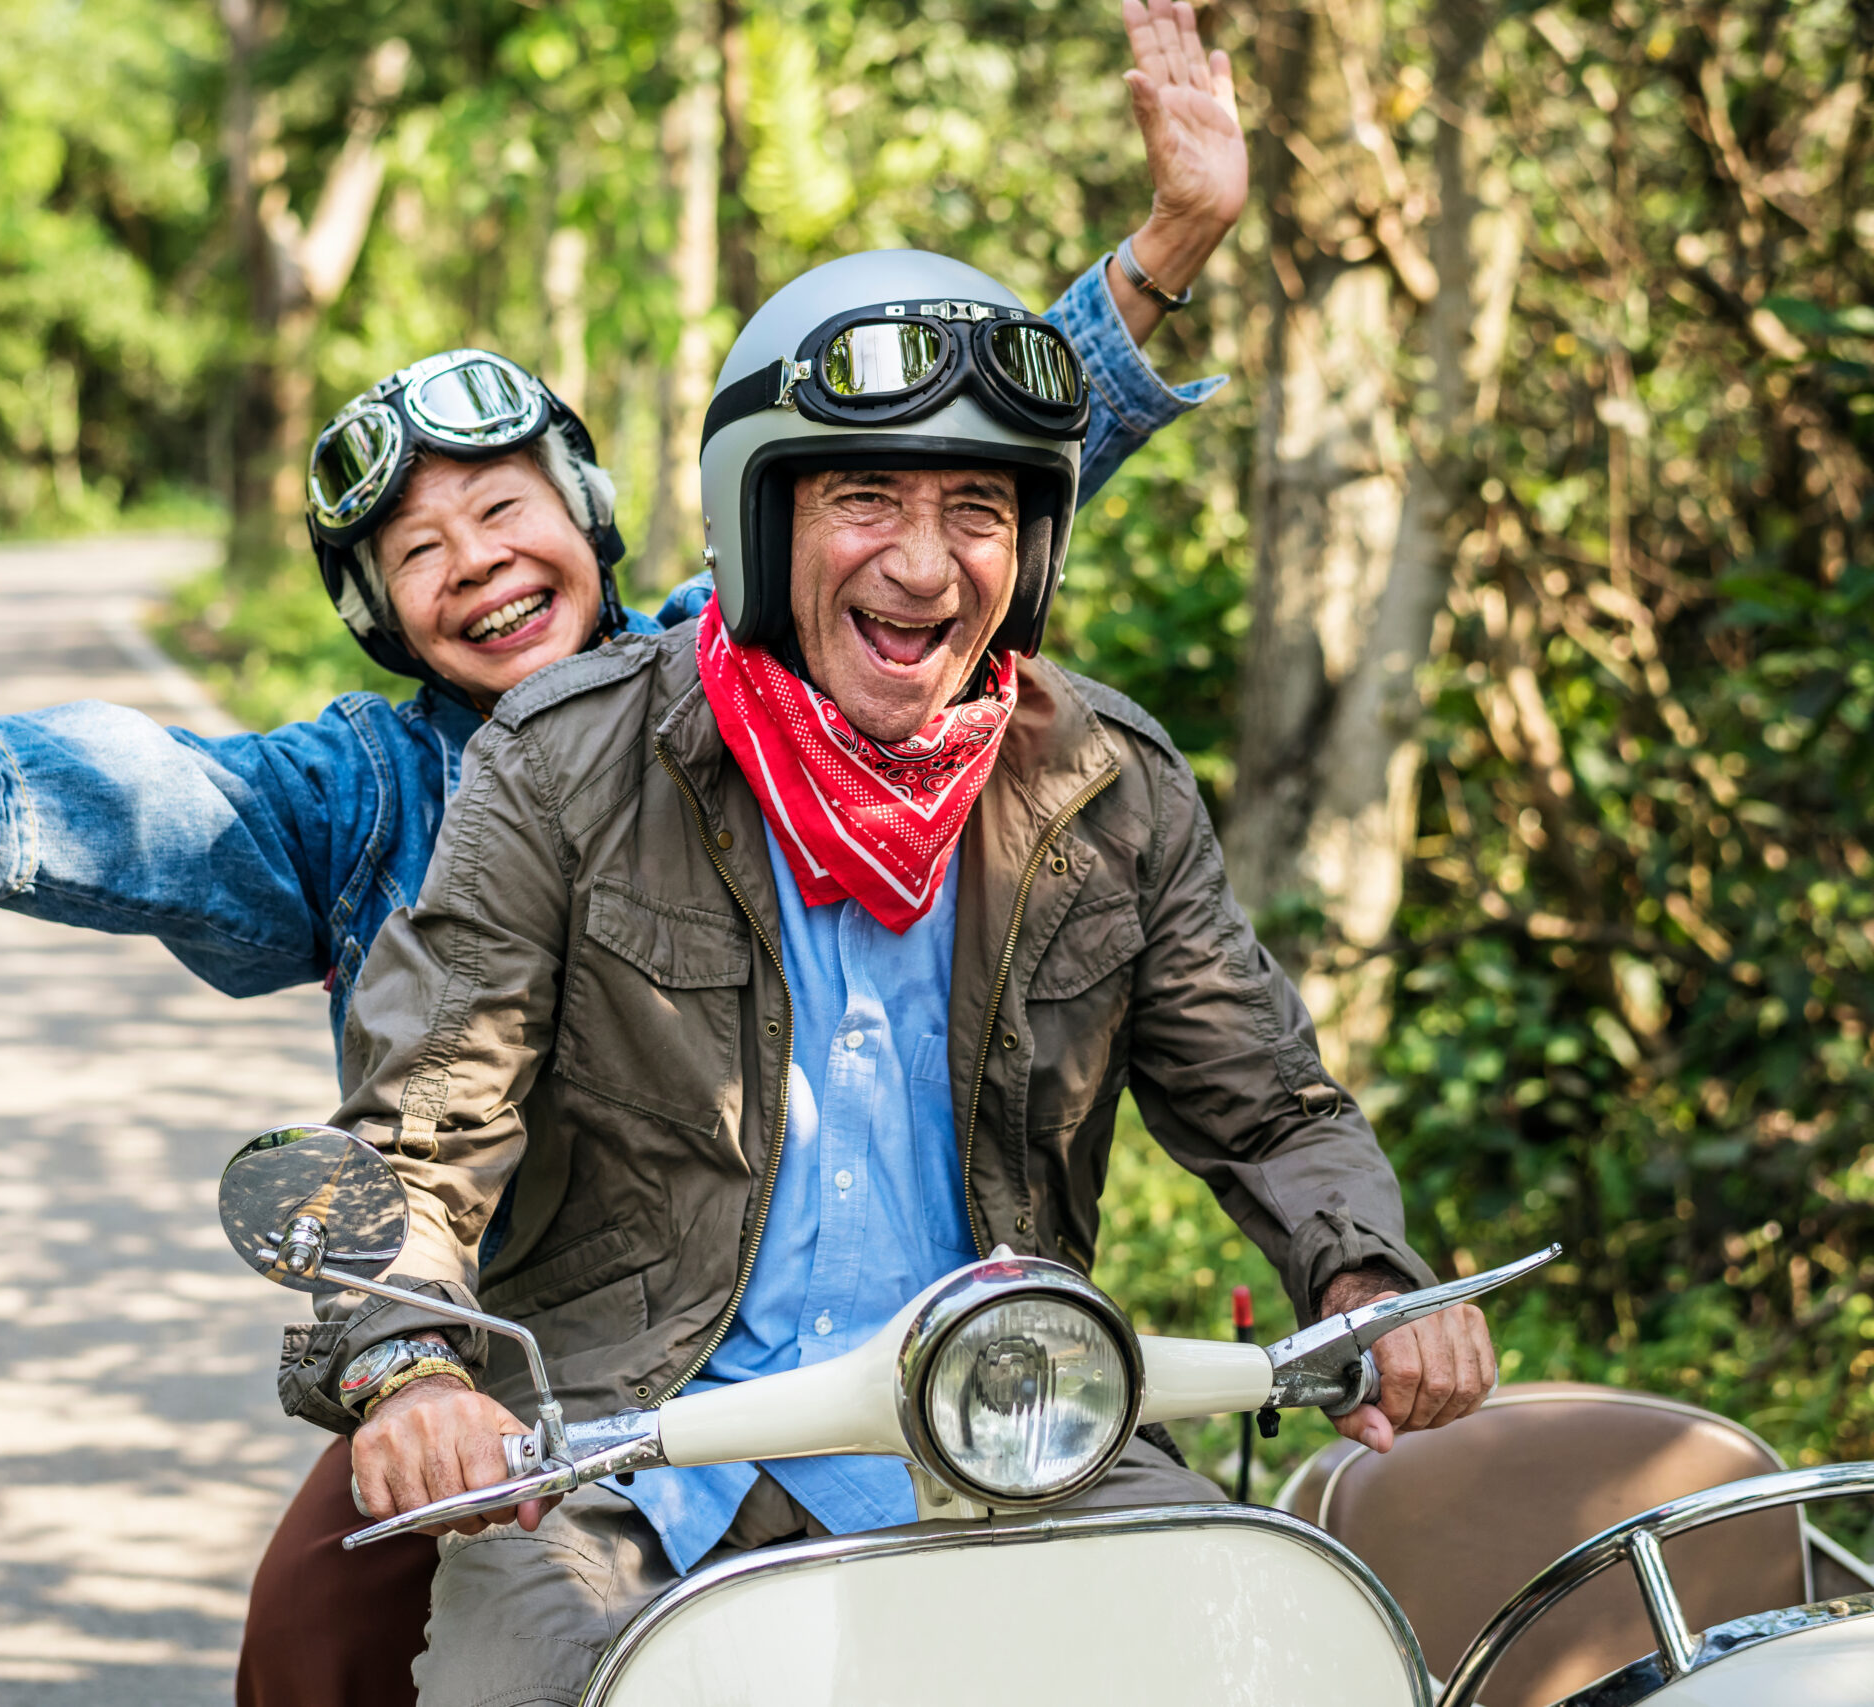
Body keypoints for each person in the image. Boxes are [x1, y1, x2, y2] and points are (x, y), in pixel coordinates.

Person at [0, 9, 1246, 1698]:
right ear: (378, 608)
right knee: (309, 1647)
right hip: (503, 1360)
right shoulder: (371, 790)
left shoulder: (740, 678)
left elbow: (940, 492)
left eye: (504, 507)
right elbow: (156, 802)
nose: (474, 561)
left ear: (599, 518)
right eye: (417, 547)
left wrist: (1166, 250)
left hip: (870, 1347)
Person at [290, 242, 1501, 1707]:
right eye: (865, 498)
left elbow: (1269, 1105)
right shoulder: (561, 763)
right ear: (760, 519)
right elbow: (419, 1135)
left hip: (1018, 1428)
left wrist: (1370, 1275)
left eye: (976, 510)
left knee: (1269, 1662)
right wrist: (414, 1372)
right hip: (632, 1464)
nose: (923, 565)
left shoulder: (1105, 786)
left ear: (1031, 547)